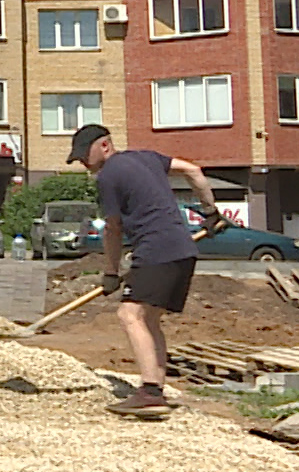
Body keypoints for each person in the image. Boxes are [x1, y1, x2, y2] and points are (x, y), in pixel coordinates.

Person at [67, 125, 228, 417]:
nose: (82, 162)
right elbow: (193, 171)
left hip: (157, 250)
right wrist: (211, 212)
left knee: (129, 314)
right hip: (182, 250)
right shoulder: (146, 157)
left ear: (105, 146)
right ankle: (157, 389)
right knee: (150, 319)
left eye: (83, 155)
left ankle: (150, 391)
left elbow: (113, 228)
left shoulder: (109, 176)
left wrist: (111, 272)